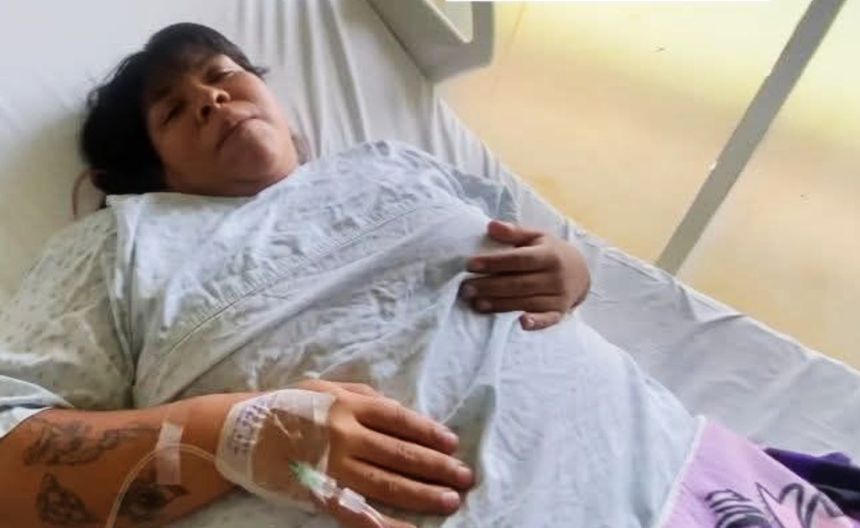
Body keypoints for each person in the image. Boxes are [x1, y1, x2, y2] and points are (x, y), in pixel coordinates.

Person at [1, 22, 852, 528]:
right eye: (175, 110)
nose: (212, 99)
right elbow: (10, 457)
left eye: (222, 76)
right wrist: (236, 434)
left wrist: (570, 272)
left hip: (682, 477)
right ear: (154, 169)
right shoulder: (120, 244)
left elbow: (532, 258)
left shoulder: (393, 164)